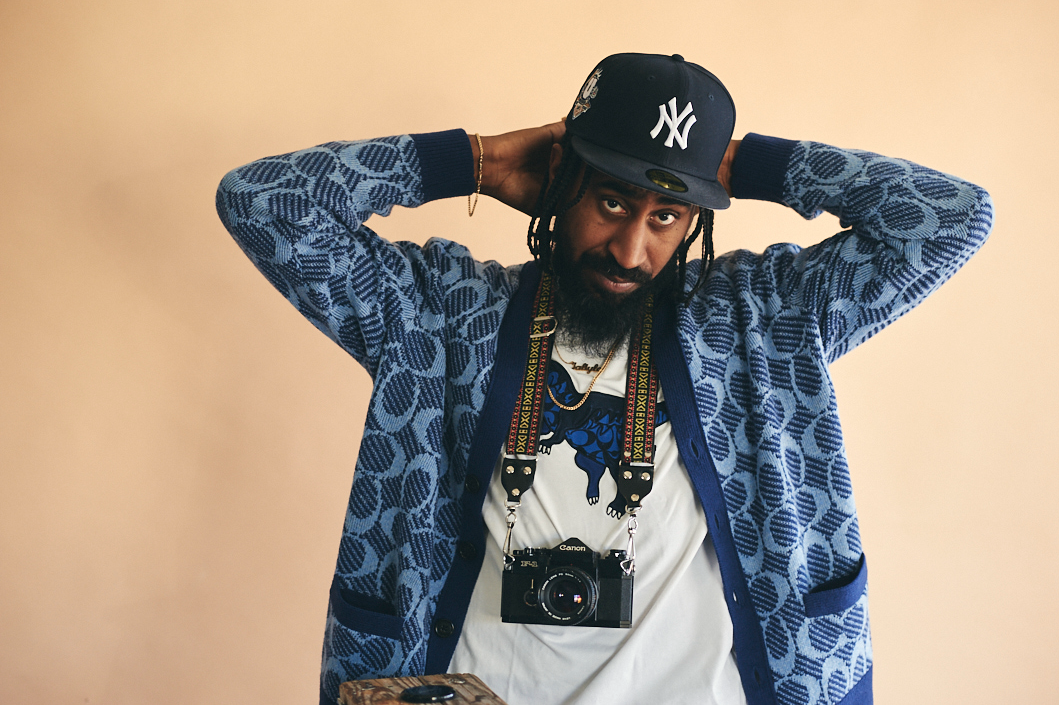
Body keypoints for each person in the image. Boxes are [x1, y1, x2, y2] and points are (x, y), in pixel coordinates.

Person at [215, 53, 992, 705]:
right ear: (561, 179)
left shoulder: (764, 318)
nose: (629, 248)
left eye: (666, 216)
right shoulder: (438, 313)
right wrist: (475, 161)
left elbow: (953, 219)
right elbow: (261, 204)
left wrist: (742, 165)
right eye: (612, 200)